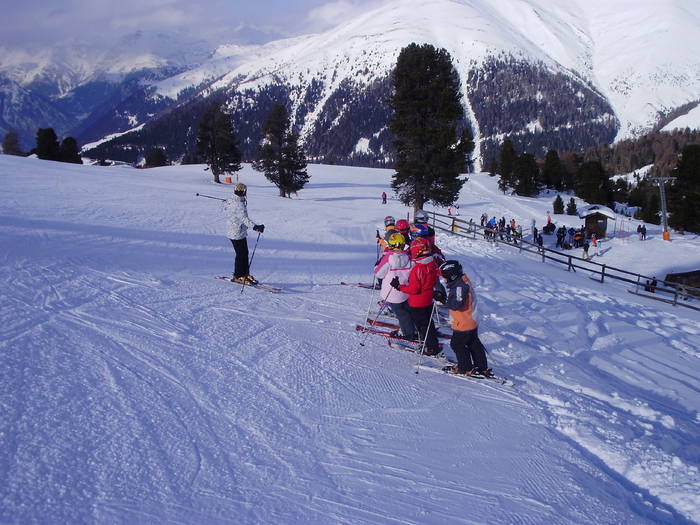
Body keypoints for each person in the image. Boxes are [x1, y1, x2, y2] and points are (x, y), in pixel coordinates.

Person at [438, 260, 491, 376]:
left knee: (457, 344)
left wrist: (442, 299)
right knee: (473, 343)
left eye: (445, 277)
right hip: (471, 319)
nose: (444, 280)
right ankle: (482, 367)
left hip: (464, 322)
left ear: (452, 275)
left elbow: (456, 304)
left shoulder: (459, 287)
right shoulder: (463, 282)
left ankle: (465, 368)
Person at [390, 237, 440, 356]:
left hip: (417, 302)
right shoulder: (432, 264)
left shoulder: (418, 269)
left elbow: (414, 289)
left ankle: (431, 346)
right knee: (428, 322)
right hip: (428, 299)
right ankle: (431, 341)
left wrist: (399, 287)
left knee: (422, 324)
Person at [375, 233, 416, 340]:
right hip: (404, 291)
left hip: (391, 292)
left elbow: (379, 273)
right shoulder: (408, 257)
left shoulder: (388, 258)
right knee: (406, 310)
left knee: (401, 313)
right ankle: (412, 327)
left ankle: (407, 332)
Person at [223, 183, 264, 284]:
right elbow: (244, 218)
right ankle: (238, 276)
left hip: (237, 231)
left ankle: (245, 274)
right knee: (241, 254)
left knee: (244, 254)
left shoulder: (233, 200)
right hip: (236, 232)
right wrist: (256, 227)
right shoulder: (238, 204)